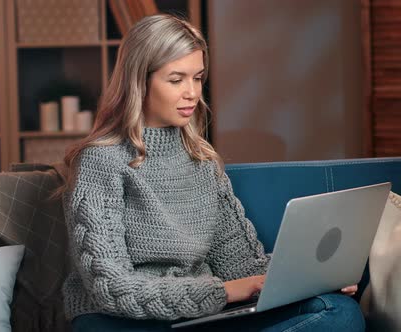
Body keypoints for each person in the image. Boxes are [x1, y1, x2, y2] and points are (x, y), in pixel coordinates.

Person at [58, 14, 364, 332]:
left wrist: (315, 275)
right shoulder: (99, 162)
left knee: (338, 310)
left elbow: (241, 266)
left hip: (197, 313)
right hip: (119, 321)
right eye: (176, 80)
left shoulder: (202, 163)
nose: (191, 92)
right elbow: (111, 288)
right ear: (139, 82)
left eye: (198, 78)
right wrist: (223, 291)